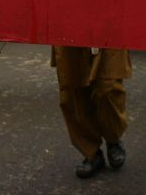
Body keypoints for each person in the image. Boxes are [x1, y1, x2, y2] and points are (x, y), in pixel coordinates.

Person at [52, 46, 129, 178]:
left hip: (107, 29)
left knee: (107, 87)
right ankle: (91, 153)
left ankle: (113, 139)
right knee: (73, 87)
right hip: (69, 31)